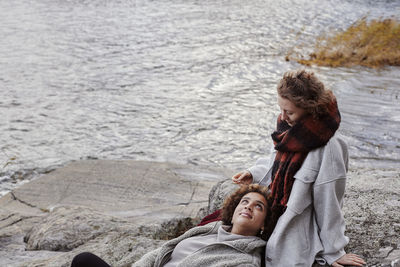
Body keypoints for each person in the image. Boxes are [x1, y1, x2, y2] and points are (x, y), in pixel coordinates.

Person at [232, 70, 366, 267]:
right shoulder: (289, 127)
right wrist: (254, 173)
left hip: (296, 224)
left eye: (290, 111)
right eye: (281, 109)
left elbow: (330, 202)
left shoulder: (329, 146)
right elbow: (275, 161)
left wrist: (334, 251)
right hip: (273, 210)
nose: (283, 116)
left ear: (309, 108)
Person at [71, 184, 272, 267]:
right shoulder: (209, 230)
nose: (248, 207)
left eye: (258, 207)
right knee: (84, 260)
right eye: (244, 201)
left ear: (264, 224)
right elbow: (160, 252)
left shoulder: (244, 261)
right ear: (235, 208)